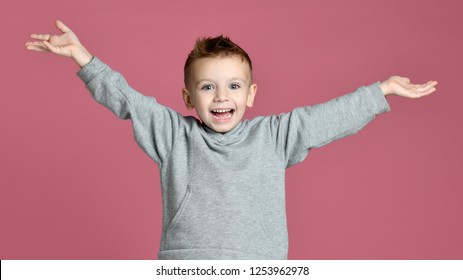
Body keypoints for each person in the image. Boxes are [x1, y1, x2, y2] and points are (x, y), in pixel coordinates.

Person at [25, 20, 437, 260]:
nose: (222, 97)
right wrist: (83, 57)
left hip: (261, 267)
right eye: (207, 88)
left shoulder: (274, 136)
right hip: (186, 266)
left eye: (234, 86)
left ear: (251, 95)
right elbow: (127, 100)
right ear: (189, 98)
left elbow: (324, 119)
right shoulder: (173, 136)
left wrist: (380, 91)